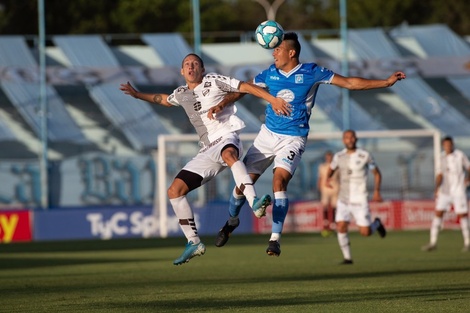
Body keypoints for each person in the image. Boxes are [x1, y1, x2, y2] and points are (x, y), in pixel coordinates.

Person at [214, 32, 405, 257]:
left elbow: (350, 83)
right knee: (242, 184)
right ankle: (232, 221)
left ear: (291, 52)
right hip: (267, 136)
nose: (273, 52)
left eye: (278, 49)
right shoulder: (270, 73)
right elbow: (244, 89)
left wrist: (386, 82)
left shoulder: (312, 72)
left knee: (279, 182)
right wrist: (222, 104)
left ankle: (274, 239)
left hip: (293, 138)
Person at [120, 53, 291, 265]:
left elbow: (245, 87)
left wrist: (272, 99)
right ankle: (193, 242)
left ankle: (253, 201)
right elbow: (163, 100)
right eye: (187, 64)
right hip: (206, 149)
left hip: (226, 136)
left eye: (195, 64)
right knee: (174, 191)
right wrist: (137, 95)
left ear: (202, 69)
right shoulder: (181, 93)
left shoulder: (214, 80)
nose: (191, 67)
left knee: (229, 155)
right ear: (182, 71)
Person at [326, 130, 386, 264]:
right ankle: (347, 258)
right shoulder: (339, 156)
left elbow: (377, 174)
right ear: (343, 140)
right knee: (341, 226)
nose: (350, 139)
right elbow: (331, 168)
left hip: (360, 199)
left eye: (352, 137)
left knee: (365, 232)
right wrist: (327, 179)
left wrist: (377, 191)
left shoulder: (365, 155)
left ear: (356, 139)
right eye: (347, 137)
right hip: (343, 198)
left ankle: (376, 223)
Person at [422, 136, 470, 252]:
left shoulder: (459, 155)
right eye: (446, 145)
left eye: (450, 145)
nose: (448, 147)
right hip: (445, 191)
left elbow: (469, 168)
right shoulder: (441, 157)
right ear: (443, 145)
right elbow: (440, 175)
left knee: (462, 215)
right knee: (438, 214)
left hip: (458, 190)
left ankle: (467, 242)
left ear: (453, 144)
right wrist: (436, 187)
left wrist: (468, 179)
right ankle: (433, 242)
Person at [317, 151, 339, 237]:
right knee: (325, 205)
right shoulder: (322, 166)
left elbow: (340, 178)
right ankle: (325, 223)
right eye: (327, 157)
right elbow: (320, 177)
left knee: (334, 206)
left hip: (335, 188)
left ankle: (333, 224)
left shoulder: (337, 167)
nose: (329, 158)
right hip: (325, 188)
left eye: (330, 157)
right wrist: (319, 187)